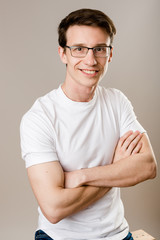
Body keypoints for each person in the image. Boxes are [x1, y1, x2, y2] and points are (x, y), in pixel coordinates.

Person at [20, 8, 157, 240]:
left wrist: (81, 175)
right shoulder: (39, 117)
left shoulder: (117, 101)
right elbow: (53, 209)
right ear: (63, 54)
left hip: (118, 234)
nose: (91, 60)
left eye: (100, 49)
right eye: (79, 49)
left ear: (110, 54)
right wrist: (116, 167)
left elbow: (148, 167)